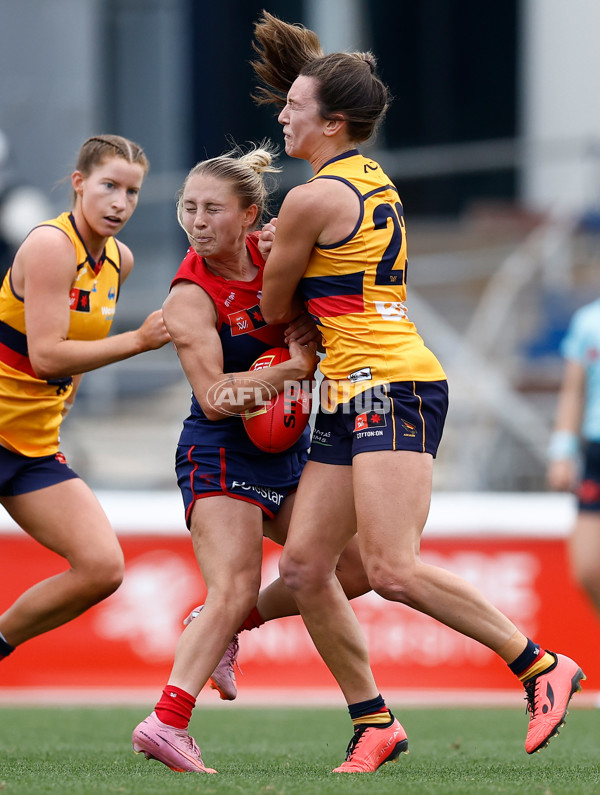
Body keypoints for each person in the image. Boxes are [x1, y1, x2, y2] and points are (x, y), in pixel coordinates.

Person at [249, 10, 585, 774]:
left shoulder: (308, 200)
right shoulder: (372, 181)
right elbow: (324, 288)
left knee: (392, 568)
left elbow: (271, 309)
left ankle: (539, 664)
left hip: (390, 385)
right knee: (309, 569)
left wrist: (268, 250)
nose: (283, 115)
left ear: (333, 123)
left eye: (295, 107)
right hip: (354, 387)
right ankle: (372, 721)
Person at [131, 142, 370, 775]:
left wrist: (317, 336)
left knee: (358, 568)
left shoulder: (279, 256)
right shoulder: (190, 296)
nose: (197, 221)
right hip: (219, 453)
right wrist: (293, 366)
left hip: (289, 454)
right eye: (188, 208)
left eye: (213, 209)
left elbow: (338, 301)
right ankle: (166, 722)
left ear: (252, 215)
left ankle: (230, 626)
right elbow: (213, 400)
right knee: (231, 585)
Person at [0, 135, 170, 662]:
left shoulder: (120, 259)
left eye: (132, 192)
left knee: (102, 568)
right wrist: (139, 341)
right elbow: (49, 356)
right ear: (78, 184)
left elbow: (65, 364)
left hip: (31, 448)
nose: (120, 202)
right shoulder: (51, 246)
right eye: (109, 186)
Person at [547, 297, 600, 619]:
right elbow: (573, 390)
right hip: (596, 451)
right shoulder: (588, 321)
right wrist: (562, 452)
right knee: (588, 569)